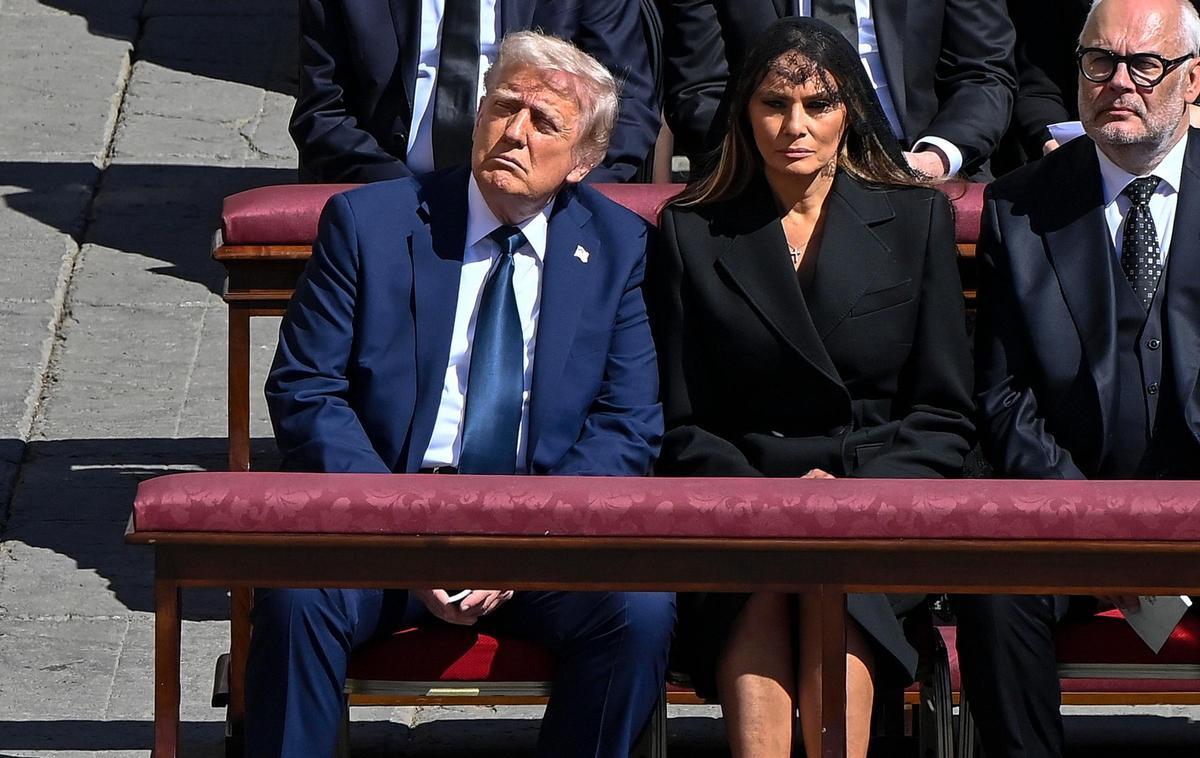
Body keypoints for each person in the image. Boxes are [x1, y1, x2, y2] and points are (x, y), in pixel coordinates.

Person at [250, 31, 674, 757]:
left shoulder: (618, 247)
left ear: (585, 161)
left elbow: (626, 424)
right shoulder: (371, 224)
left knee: (637, 612)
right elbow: (306, 391)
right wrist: (405, 536)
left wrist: (521, 547)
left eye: (546, 122)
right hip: (384, 520)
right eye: (505, 107)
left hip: (539, 532)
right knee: (297, 599)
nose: (514, 131)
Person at [647, 17, 974, 758]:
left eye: (817, 104)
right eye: (773, 104)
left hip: (876, 497)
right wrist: (767, 499)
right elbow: (683, 418)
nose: (794, 125)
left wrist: (853, 495)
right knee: (759, 581)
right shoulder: (693, 231)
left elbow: (943, 411)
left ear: (849, 110)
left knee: (843, 584)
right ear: (744, 111)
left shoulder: (918, 220)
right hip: (741, 499)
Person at [960, 0, 1200, 755]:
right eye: (1100, 62)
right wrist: (1092, 529)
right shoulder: (1020, 205)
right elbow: (1002, 395)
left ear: (1194, 81)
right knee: (995, 593)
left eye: (1145, 66)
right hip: (1069, 515)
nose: (1118, 82)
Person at [290, 0, 659, 183]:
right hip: (392, 191)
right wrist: (402, 195)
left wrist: (559, 195)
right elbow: (322, 113)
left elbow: (626, 106)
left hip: (543, 200)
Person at [660, 0, 1016, 178]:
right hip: (768, 177)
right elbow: (698, 92)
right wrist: (771, 163)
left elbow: (983, 74)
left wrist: (934, 158)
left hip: (914, 171)